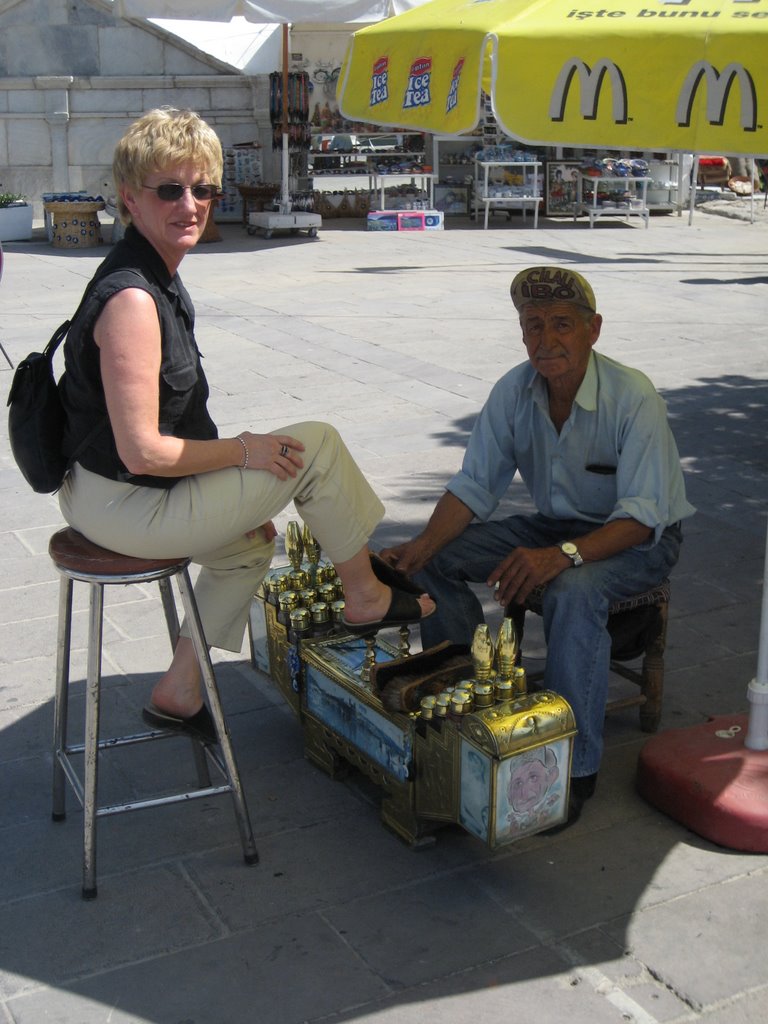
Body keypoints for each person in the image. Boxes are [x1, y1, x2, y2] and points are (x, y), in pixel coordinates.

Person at [57, 107, 434, 745]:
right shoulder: (132, 300)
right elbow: (144, 451)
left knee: (251, 546)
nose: (191, 204)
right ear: (130, 198)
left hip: (116, 492)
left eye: (203, 189)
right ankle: (364, 594)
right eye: (170, 189)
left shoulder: (159, 278)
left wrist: (239, 490)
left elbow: (178, 420)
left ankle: (178, 690)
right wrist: (242, 453)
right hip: (121, 502)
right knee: (314, 445)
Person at [381, 265, 694, 826]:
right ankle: (467, 707)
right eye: (532, 327)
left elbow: (643, 519)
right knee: (438, 561)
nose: (545, 341)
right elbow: (475, 485)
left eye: (561, 325)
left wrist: (564, 556)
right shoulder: (514, 390)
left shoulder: (632, 396)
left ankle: (572, 768)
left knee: (573, 592)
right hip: (556, 526)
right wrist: (422, 545)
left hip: (639, 540)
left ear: (593, 330)